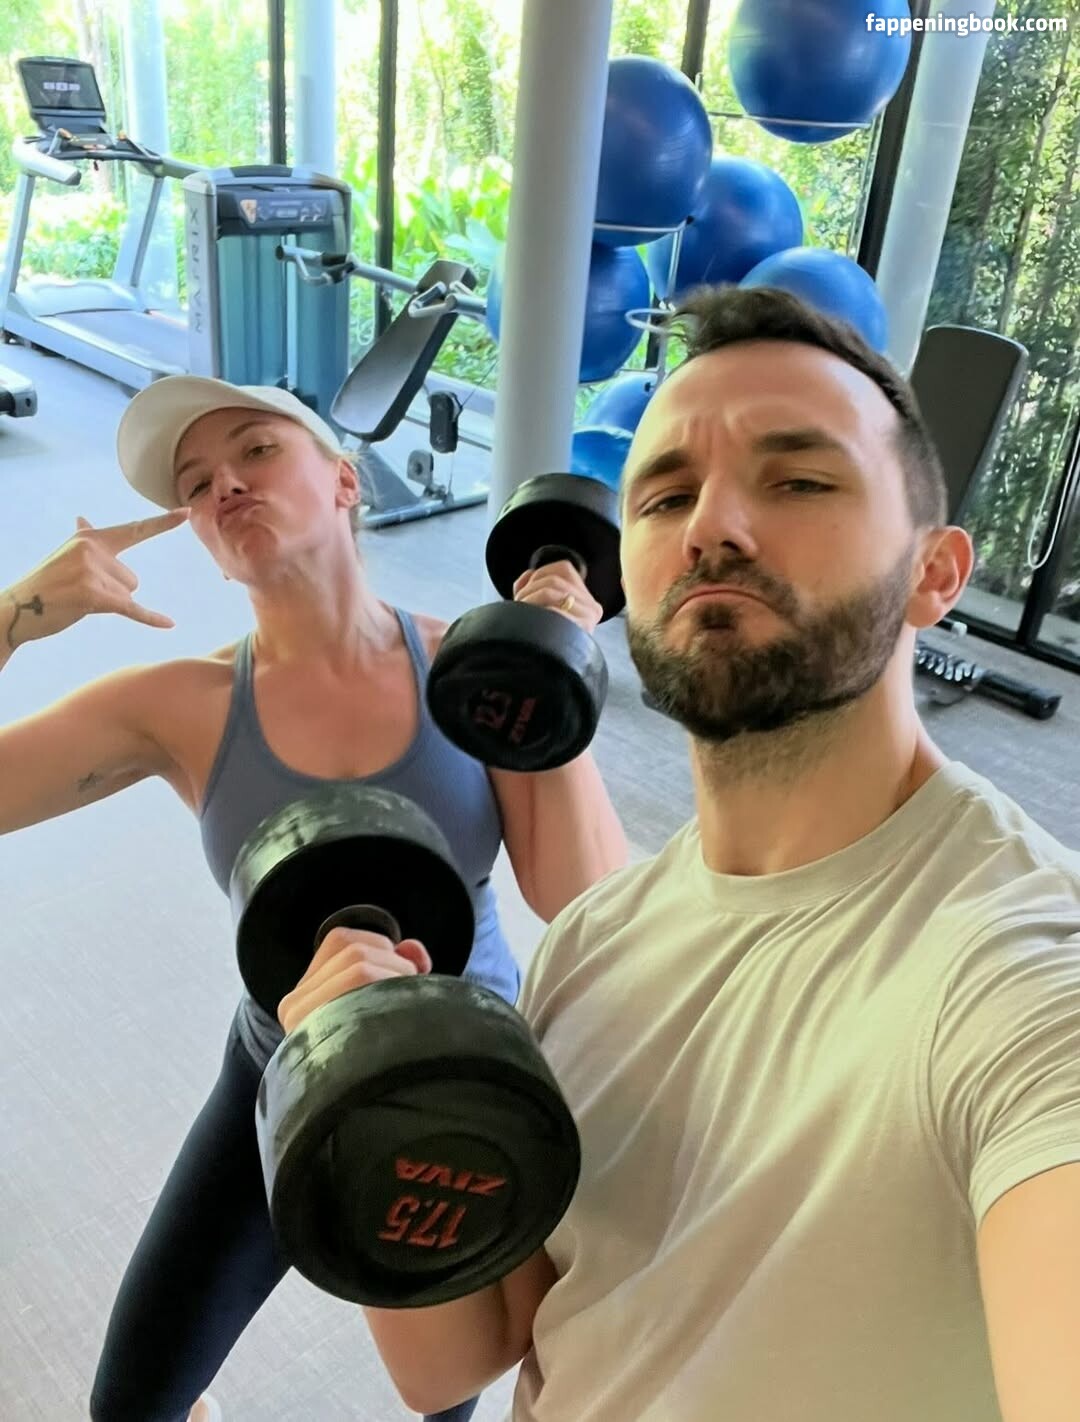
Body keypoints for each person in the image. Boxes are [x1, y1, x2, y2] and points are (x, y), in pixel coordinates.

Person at [281, 286, 1080, 1422]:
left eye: (798, 481)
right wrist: (367, 1092)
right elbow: (459, 1358)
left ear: (935, 574)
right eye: (664, 497)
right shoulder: (595, 940)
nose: (711, 527)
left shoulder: (1026, 972)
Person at [0, 374, 628, 1422]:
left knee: (448, 1394)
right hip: (283, 1056)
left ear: (344, 482)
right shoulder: (182, 706)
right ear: (204, 538)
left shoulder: (470, 668)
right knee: (131, 1406)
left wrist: (550, 677)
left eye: (255, 451)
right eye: (196, 483)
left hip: (467, 1068)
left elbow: (585, 895)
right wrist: (15, 614)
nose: (224, 487)